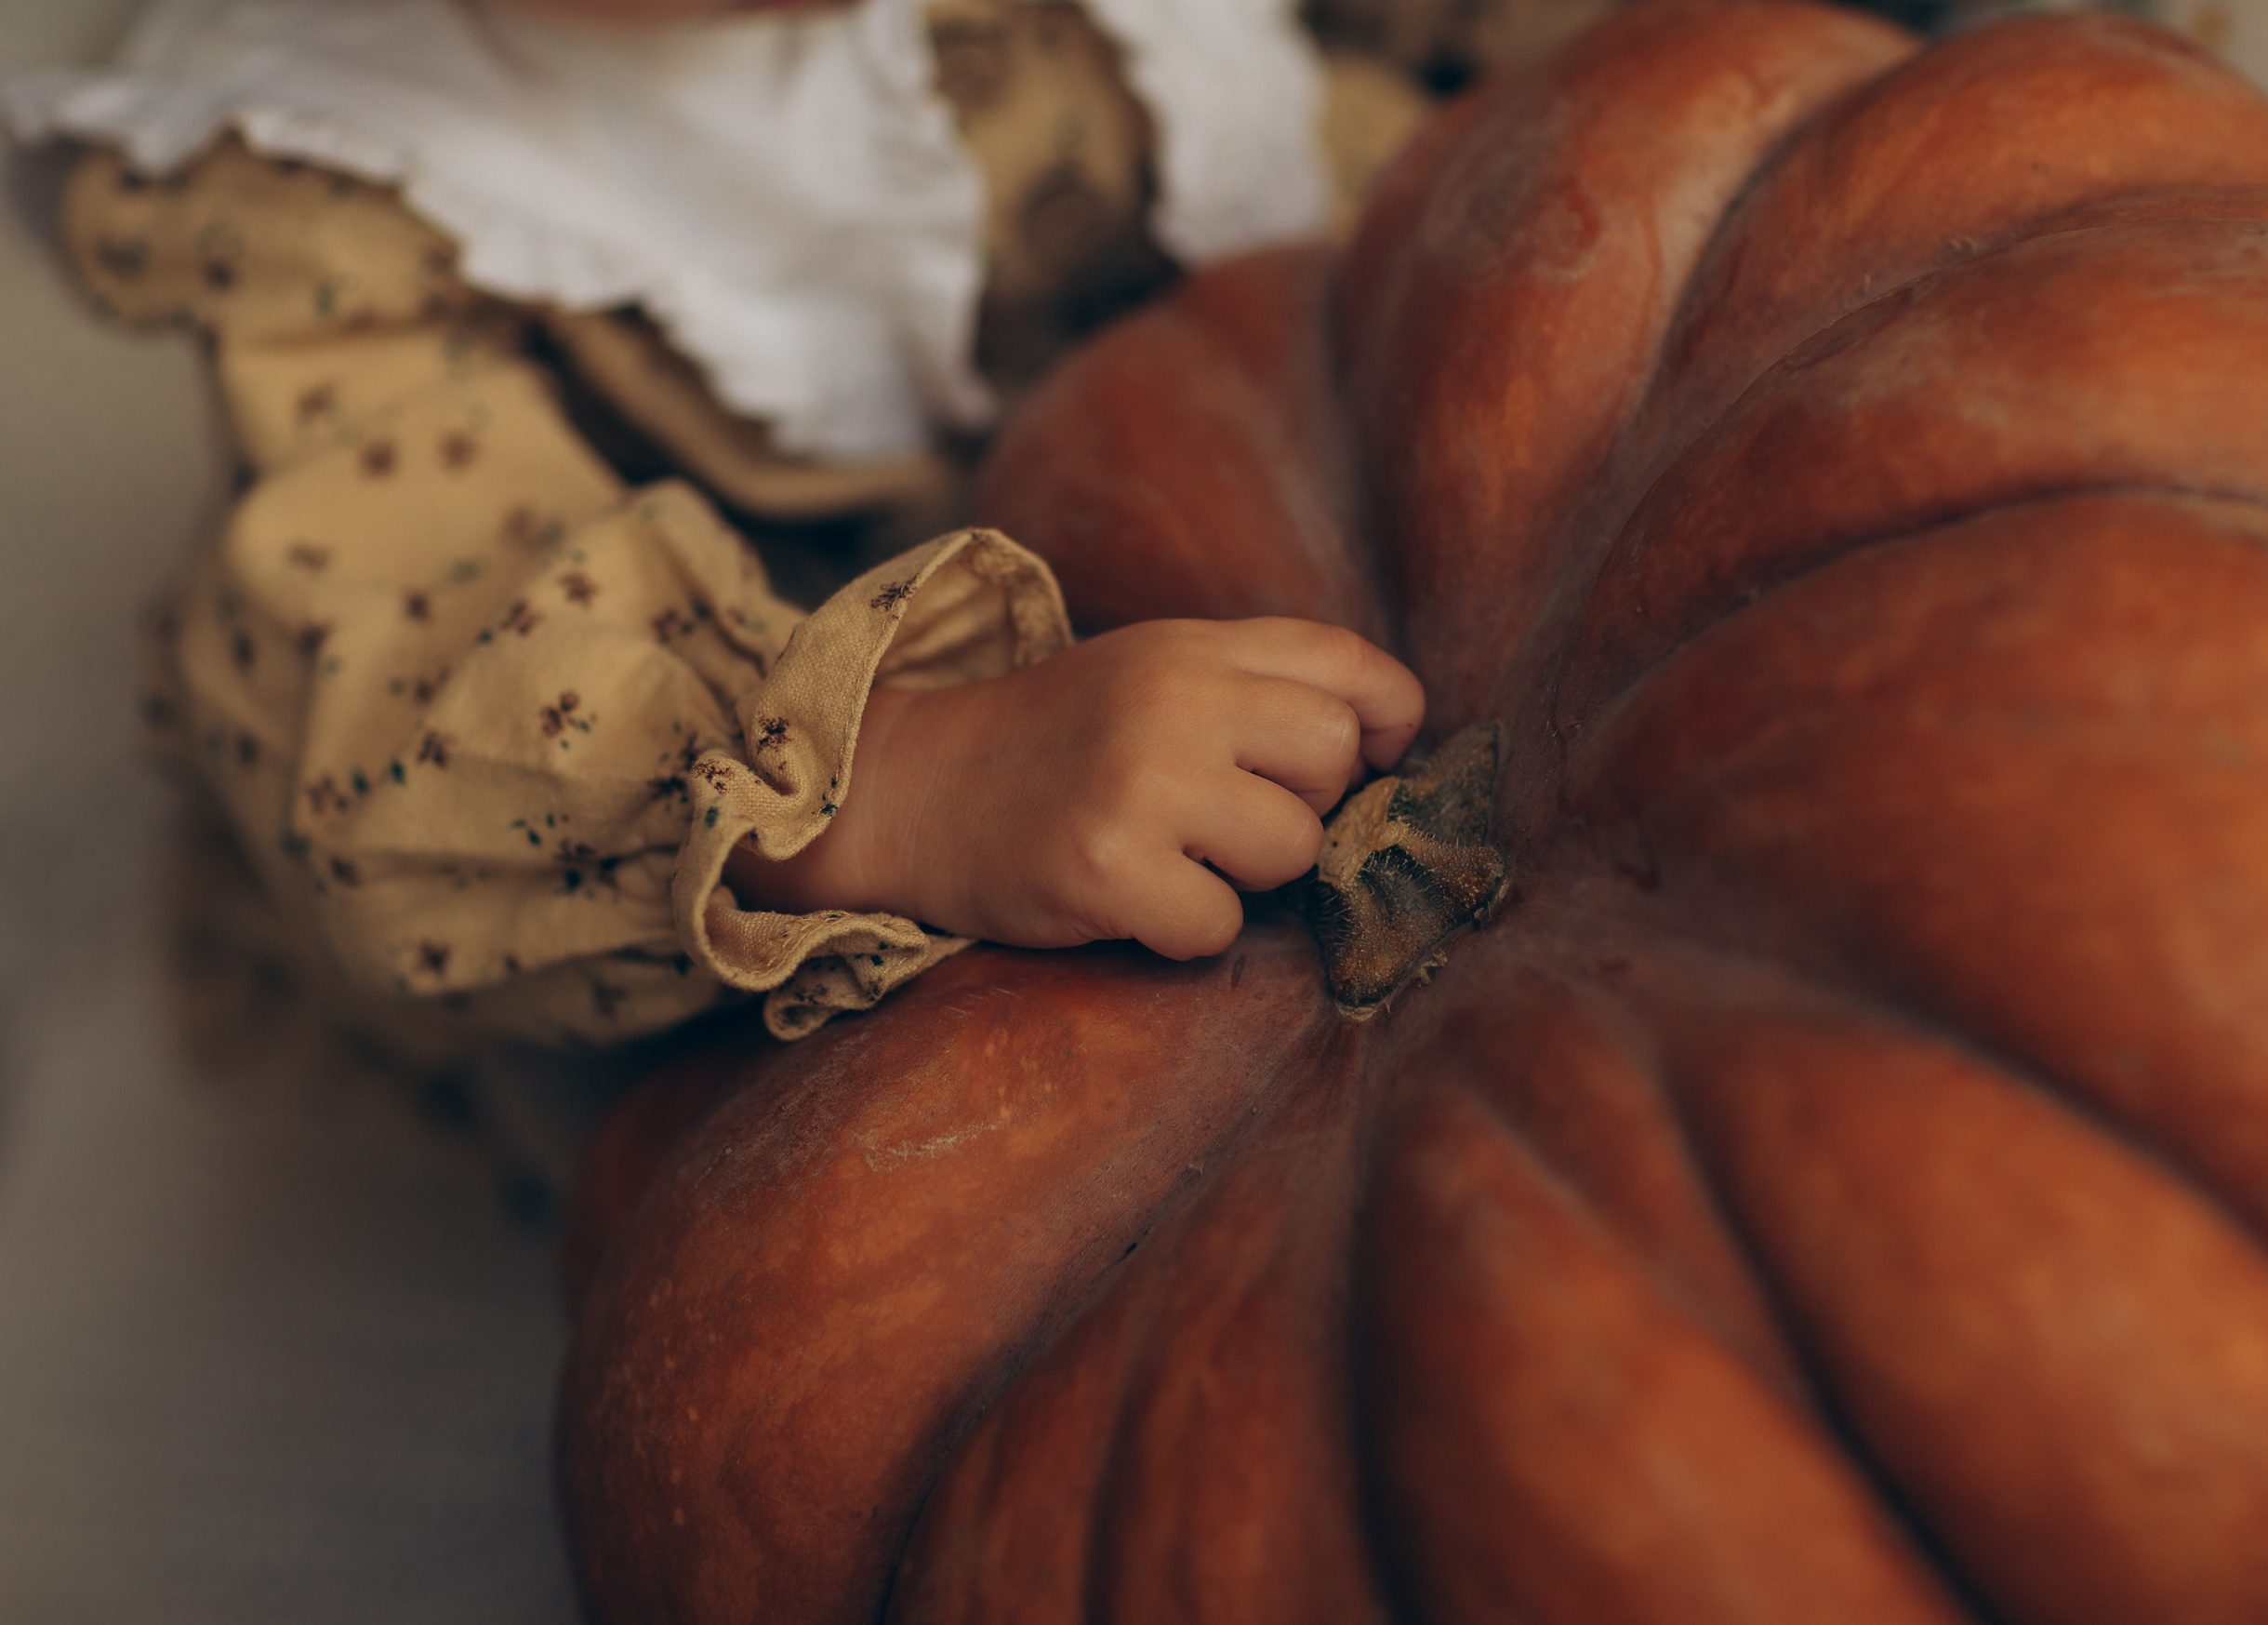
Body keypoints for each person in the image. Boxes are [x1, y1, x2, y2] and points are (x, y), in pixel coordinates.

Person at [4, 0, 1426, 1048]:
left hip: (1277, 565)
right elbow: (413, 686)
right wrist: (916, 781)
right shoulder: (323, 167)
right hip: (756, 880)